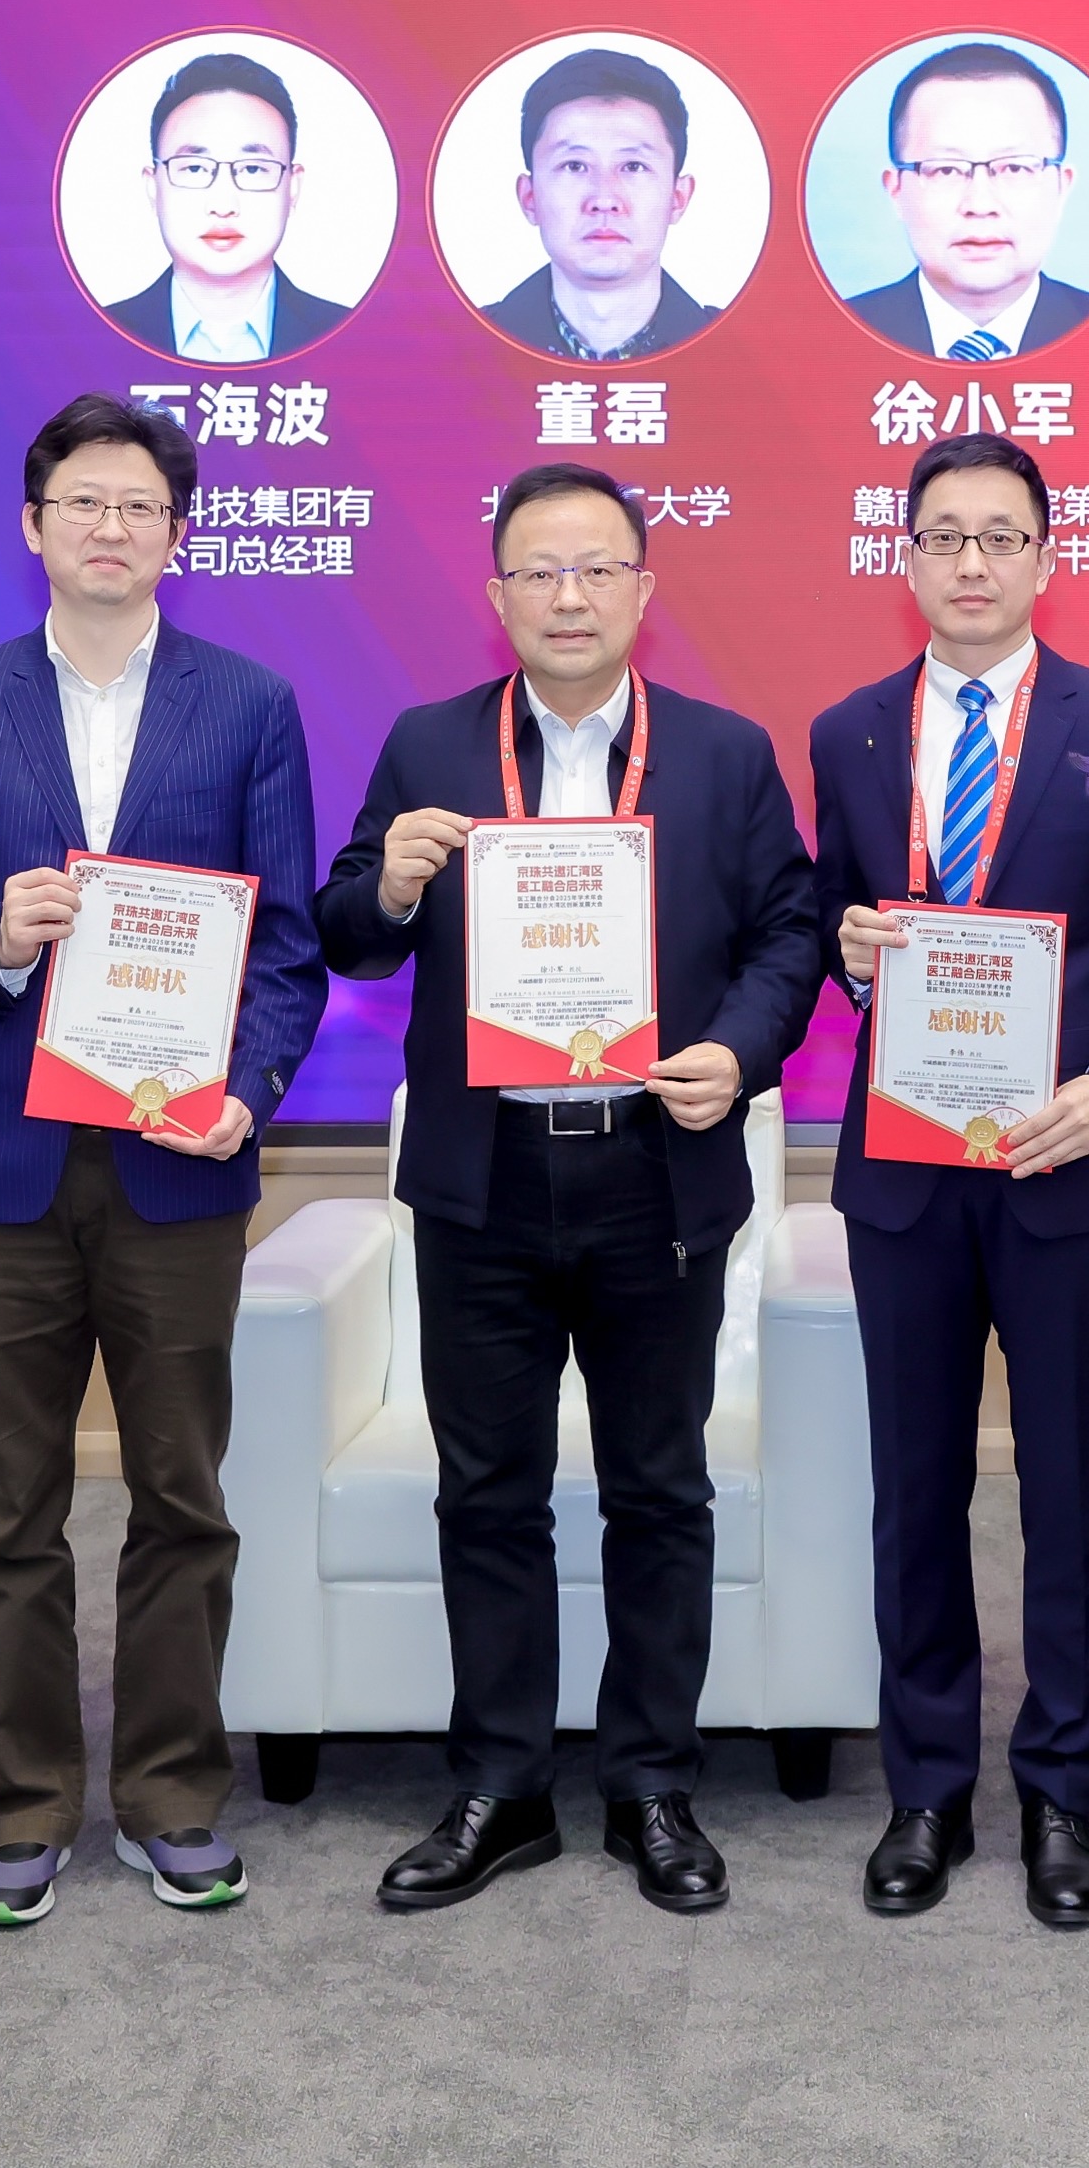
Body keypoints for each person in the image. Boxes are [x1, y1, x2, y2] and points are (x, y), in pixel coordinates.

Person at [321, 465, 826, 1914]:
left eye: (597, 568)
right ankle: (501, 1785)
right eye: (538, 570)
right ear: (496, 597)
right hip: (481, 1178)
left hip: (652, 1170)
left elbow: (789, 935)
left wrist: (738, 1053)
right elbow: (345, 931)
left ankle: (651, 1782)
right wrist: (392, 883)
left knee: (658, 1489)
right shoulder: (428, 744)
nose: (567, 596)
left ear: (642, 591)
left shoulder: (722, 753)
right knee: (486, 1490)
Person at [0, 393, 326, 1933]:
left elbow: (285, 944)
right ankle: (19, 1809)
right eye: (82, 503)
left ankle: (172, 1796)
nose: (110, 528)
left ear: (176, 534)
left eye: (139, 506)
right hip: (5, 1168)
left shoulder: (248, 704)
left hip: (177, 1165)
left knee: (181, 1495)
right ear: (33, 525)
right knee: (5, 1506)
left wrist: (248, 1094)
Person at [804, 434, 1089, 1927]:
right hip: (905, 1173)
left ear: (1047, 556)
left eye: (1000, 536)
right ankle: (924, 1792)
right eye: (943, 536)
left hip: (1064, 1167)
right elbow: (832, 926)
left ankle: (1060, 1792)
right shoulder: (849, 733)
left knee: (1069, 1491)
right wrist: (850, 953)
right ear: (904, 557)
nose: (970, 562)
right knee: (913, 1490)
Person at [840, 41, 1089, 359]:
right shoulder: (831, 339)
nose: (980, 205)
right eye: (946, 170)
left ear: (1062, 187)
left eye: (1014, 168)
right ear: (896, 190)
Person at [99, 52, 354, 363]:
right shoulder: (92, 338)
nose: (223, 205)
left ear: (293, 188)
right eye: (194, 168)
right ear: (153, 188)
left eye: (252, 169)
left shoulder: (356, 338)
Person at [479, 49, 721, 360]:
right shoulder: (455, 350)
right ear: (530, 198)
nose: (604, 200)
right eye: (574, 166)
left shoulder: (743, 354)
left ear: (678, 198)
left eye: (633, 166)